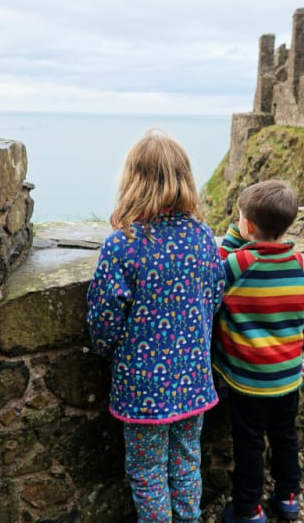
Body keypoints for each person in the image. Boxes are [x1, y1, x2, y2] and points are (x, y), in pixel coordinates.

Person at [86, 129, 226, 522]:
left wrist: (107, 351)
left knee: (147, 472)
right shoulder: (202, 237)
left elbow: (104, 321)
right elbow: (215, 296)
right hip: (194, 378)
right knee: (186, 460)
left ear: (132, 180)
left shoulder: (122, 245)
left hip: (142, 386)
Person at [213, 180, 304, 523]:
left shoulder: (237, 264)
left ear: (246, 226)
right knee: (285, 436)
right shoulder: (302, 265)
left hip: (248, 379)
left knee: (249, 445)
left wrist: (233, 234)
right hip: (288, 376)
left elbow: (215, 272)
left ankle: (249, 509)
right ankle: (289, 497)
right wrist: (299, 349)